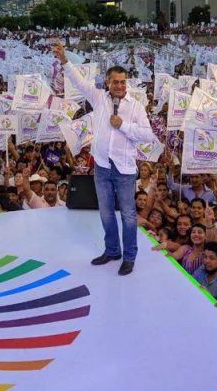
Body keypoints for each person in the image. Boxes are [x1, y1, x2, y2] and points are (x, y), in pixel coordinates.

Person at [53, 40, 153, 276]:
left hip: (125, 169)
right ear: (107, 83)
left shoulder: (136, 107)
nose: (119, 86)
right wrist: (65, 60)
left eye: (122, 82)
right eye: (115, 82)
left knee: (128, 215)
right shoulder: (99, 98)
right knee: (106, 212)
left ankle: (129, 257)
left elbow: (147, 135)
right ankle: (112, 250)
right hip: (101, 167)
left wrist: (124, 125)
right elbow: (78, 81)